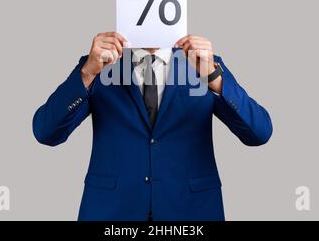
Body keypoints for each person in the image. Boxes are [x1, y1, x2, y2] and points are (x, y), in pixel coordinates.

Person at [32, 32, 273, 221]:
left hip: (189, 211)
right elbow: (46, 132)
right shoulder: (99, 65)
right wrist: (86, 74)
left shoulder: (204, 65)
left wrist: (214, 78)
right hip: (112, 212)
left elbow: (259, 133)